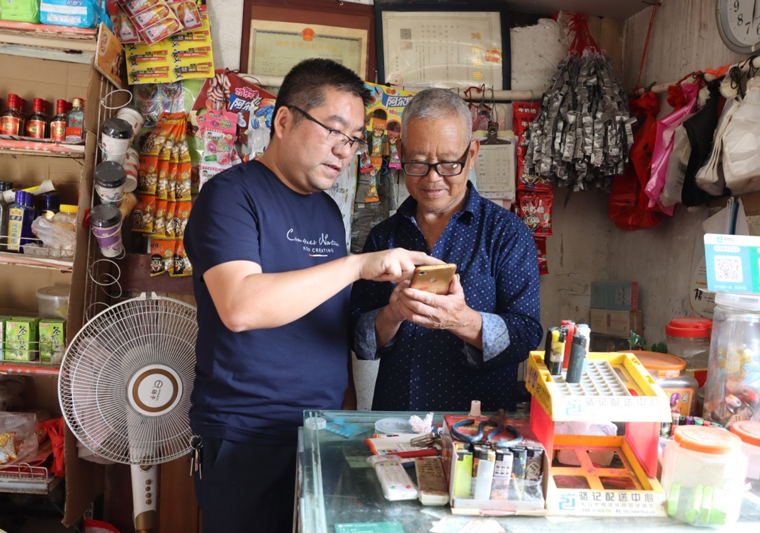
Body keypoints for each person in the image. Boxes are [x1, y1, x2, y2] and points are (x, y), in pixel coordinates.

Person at [184, 59, 439, 533]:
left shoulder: (326, 210)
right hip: (247, 436)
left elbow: (328, 323)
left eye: (354, 139)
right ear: (284, 121)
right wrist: (357, 265)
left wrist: (347, 413)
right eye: (334, 131)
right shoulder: (230, 196)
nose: (345, 151)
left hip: (322, 431)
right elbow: (240, 306)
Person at [350, 88, 543, 413]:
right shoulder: (384, 237)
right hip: (396, 421)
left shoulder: (506, 234)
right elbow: (358, 339)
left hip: (478, 426)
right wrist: (391, 314)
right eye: (418, 162)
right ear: (401, 152)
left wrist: (462, 320)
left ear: (472, 154)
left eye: (449, 163)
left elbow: (526, 335)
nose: (433, 178)